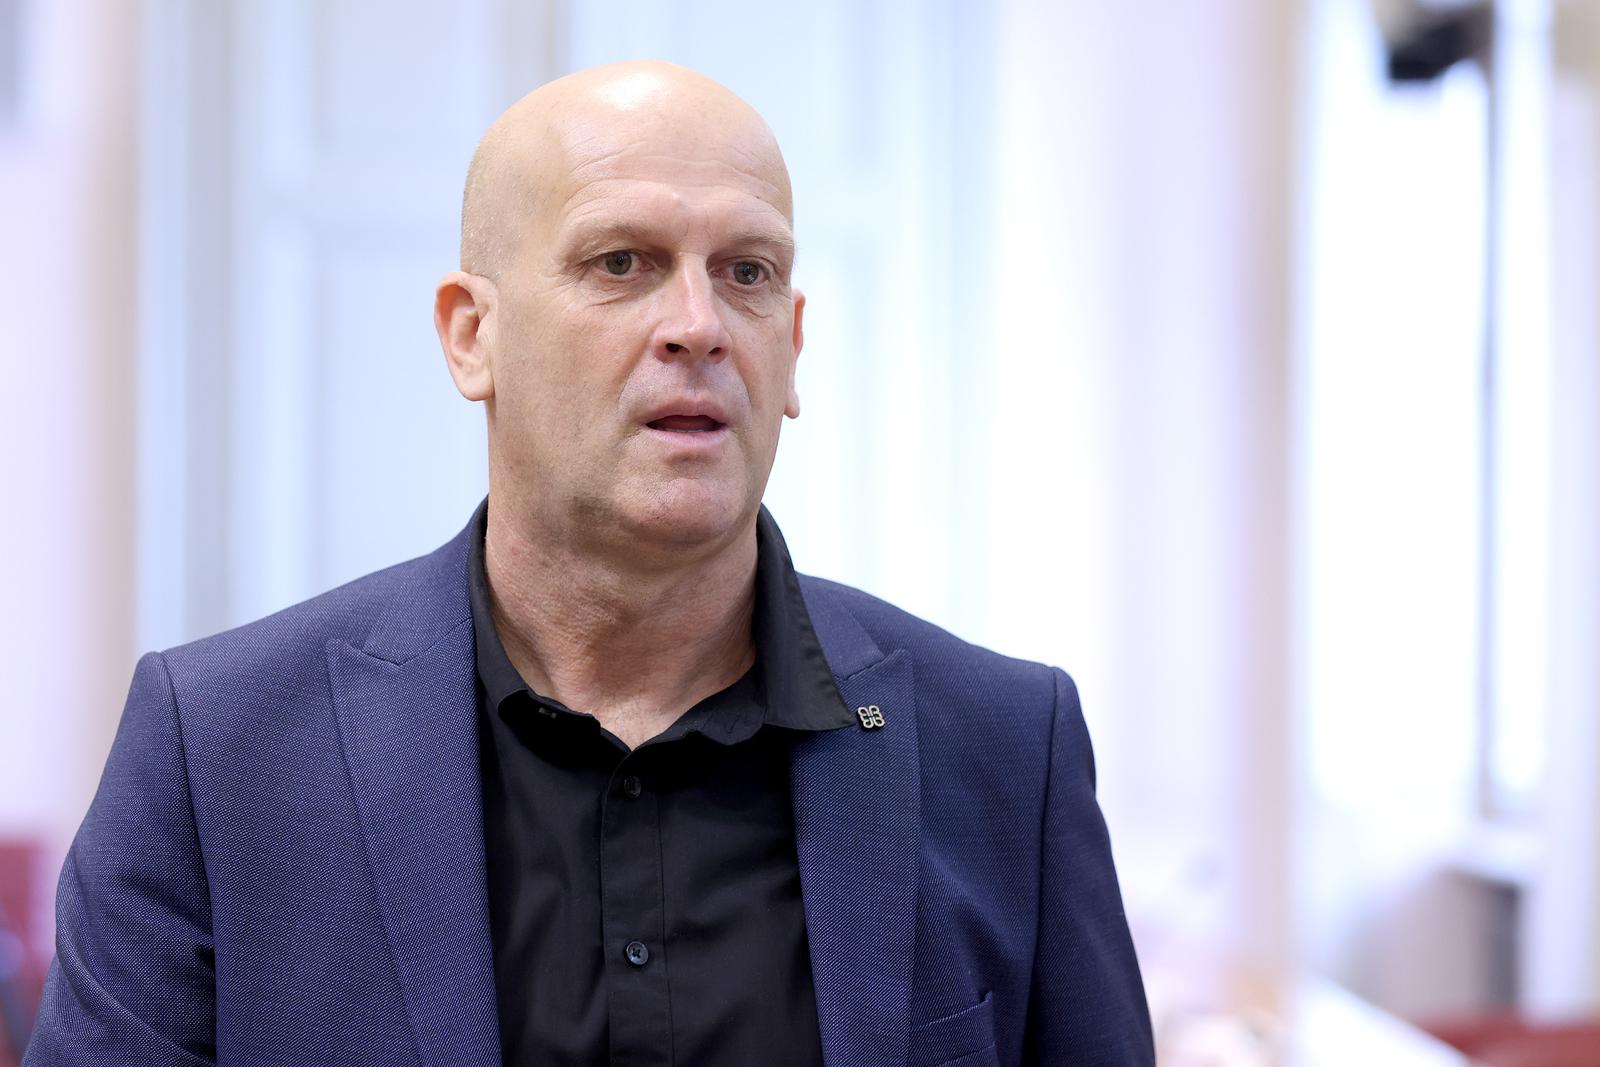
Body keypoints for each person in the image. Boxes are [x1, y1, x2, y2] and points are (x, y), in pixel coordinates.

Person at [24, 61, 1153, 1066]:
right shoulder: (218, 753)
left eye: (748, 271)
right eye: (623, 262)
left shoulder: (1007, 748)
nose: (700, 325)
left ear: (794, 344)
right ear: (472, 335)